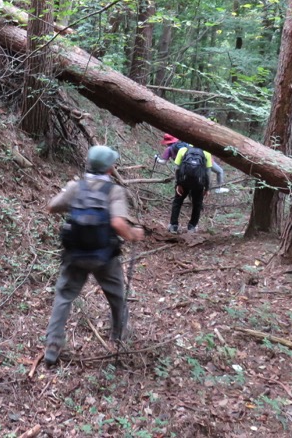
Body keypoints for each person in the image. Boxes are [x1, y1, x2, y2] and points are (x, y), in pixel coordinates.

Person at [44, 145, 144, 366]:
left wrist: (68, 191)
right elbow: (118, 223)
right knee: (117, 295)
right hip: (104, 257)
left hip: (75, 255)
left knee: (64, 297)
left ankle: (52, 345)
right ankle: (119, 336)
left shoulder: (76, 187)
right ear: (109, 169)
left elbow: (51, 207)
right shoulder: (114, 191)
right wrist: (133, 234)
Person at [167, 144, 224, 234]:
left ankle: (173, 226)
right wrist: (207, 188)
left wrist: (178, 184)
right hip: (198, 184)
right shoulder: (206, 153)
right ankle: (192, 227)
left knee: (177, 202)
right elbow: (208, 173)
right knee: (197, 205)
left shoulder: (183, 150)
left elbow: (177, 169)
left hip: (183, 182)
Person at [155, 134, 225, 192]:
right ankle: (217, 188)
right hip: (203, 161)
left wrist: (157, 159)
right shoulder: (187, 144)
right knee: (219, 171)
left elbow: (163, 162)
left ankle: (179, 189)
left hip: (185, 168)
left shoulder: (169, 149)